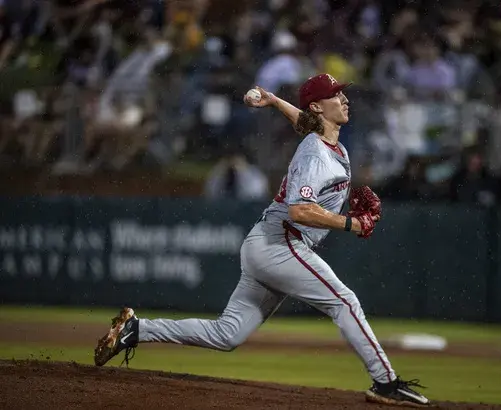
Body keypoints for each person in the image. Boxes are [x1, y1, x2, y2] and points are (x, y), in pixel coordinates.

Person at [94, 74, 430, 407]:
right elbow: (300, 210)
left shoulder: (326, 142)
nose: (344, 99)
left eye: (342, 93)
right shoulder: (316, 155)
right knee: (344, 302)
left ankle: (137, 329)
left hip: (267, 244)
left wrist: (273, 101)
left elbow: (304, 122)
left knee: (227, 334)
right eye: (335, 95)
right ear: (318, 106)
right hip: (281, 244)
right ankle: (386, 382)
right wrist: (351, 224)